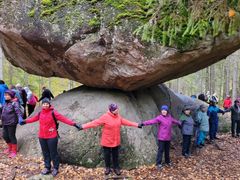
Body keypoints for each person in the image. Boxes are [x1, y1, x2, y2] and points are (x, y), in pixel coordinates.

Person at [19, 98, 81, 177]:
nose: (45, 105)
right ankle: (47, 167)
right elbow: (33, 119)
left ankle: (55, 168)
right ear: (42, 105)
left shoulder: (53, 113)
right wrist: (25, 121)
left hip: (52, 136)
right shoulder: (40, 113)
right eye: (44, 104)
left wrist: (74, 124)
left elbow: (64, 119)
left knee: (53, 153)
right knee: (45, 153)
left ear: (49, 104)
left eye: (47, 104)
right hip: (42, 136)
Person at [78, 104, 141, 176]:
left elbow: (126, 122)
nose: (117, 110)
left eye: (117, 109)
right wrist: (83, 126)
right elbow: (95, 123)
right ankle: (107, 168)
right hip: (107, 140)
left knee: (115, 155)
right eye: (115, 109)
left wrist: (137, 125)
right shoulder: (105, 117)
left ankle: (116, 168)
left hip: (115, 140)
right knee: (107, 155)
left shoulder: (118, 116)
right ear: (111, 110)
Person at [141, 105, 181, 169]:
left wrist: (179, 123)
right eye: (162, 110)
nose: (163, 111)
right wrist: (143, 123)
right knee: (161, 150)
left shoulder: (169, 117)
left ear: (167, 111)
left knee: (167, 150)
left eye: (165, 110)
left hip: (168, 138)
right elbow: (151, 121)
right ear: (161, 111)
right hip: (161, 138)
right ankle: (158, 163)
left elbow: (174, 121)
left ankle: (167, 162)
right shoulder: (159, 118)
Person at [1, 90, 23, 158]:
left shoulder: (14, 103)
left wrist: (20, 118)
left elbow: (18, 111)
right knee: (5, 136)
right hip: (5, 122)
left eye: (7, 95)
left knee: (11, 136)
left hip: (11, 122)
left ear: (11, 96)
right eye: (5, 95)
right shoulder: (5, 103)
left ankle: (14, 151)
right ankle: (9, 148)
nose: (5, 96)